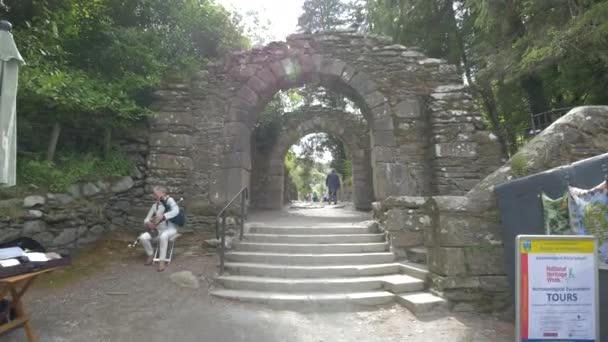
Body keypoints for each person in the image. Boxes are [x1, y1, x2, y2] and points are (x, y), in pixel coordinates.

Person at [139, 186, 179, 272]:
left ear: (163, 193)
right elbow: (146, 219)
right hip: (158, 230)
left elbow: (176, 211)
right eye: (154, 194)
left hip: (170, 229)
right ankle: (150, 254)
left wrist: (164, 216)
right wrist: (148, 223)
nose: (154, 196)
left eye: (156, 194)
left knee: (163, 236)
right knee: (142, 237)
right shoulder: (155, 206)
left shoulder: (169, 202)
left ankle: (162, 261)